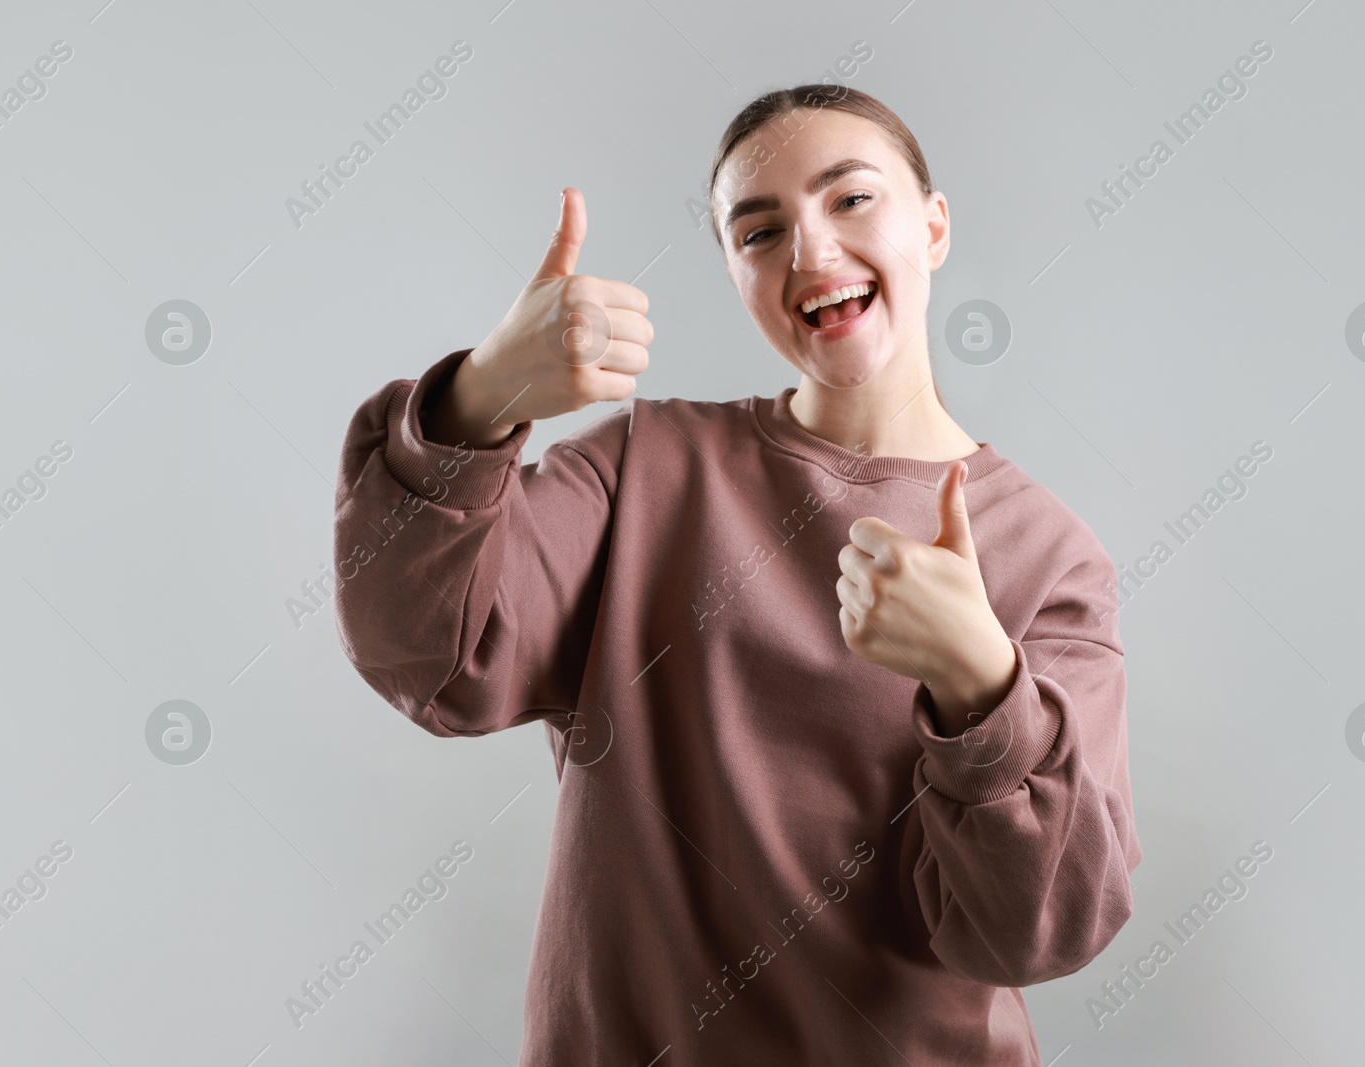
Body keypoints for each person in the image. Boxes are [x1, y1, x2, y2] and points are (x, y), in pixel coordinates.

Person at [333, 83, 1140, 1066]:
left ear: (932, 227)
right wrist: (478, 398)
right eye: (759, 232)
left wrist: (983, 684)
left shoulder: (1045, 553)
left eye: (850, 199)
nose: (808, 252)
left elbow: (1035, 929)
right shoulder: (643, 472)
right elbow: (431, 660)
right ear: (734, 272)